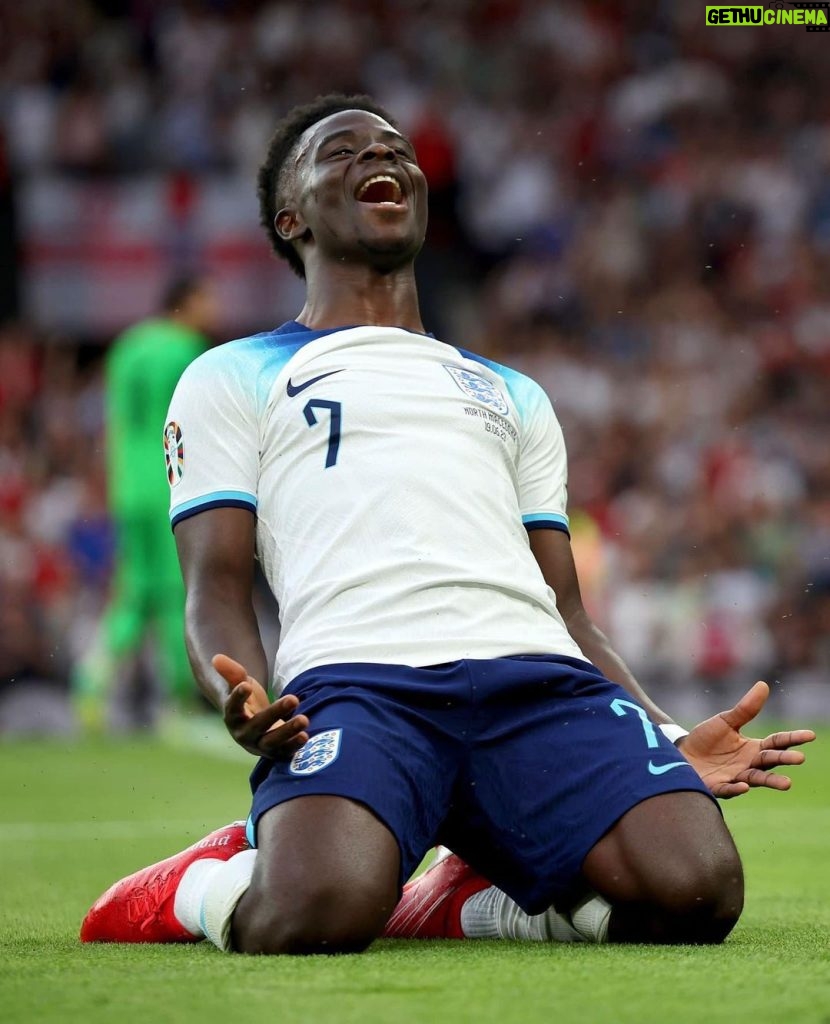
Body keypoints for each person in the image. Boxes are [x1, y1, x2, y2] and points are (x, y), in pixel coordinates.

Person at [80, 94, 815, 954]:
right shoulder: (228, 376)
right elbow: (213, 586)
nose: (377, 155)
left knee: (697, 893)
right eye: (341, 151)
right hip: (361, 685)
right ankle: (197, 885)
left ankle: (468, 901)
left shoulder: (513, 393)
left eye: (392, 147)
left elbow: (567, 611)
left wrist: (665, 732)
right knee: (313, 916)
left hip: (536, 686)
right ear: (292, 218)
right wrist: (233, 692)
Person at [73, 274, 217, 730]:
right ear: (187, 302)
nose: (212, 309)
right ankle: (183, 700)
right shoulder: (183, 347)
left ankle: (89, 684)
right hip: (167, 482)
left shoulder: (126, 346)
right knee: (177, 589)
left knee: (136, 592)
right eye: (206, 299)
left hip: (126, 484)